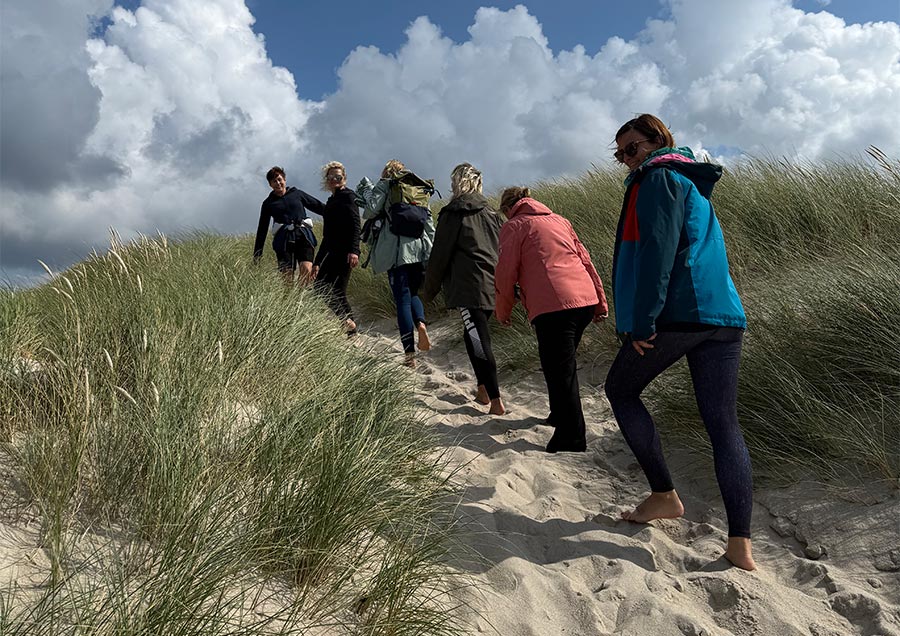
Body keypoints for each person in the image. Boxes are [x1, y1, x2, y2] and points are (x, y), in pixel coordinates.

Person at [605, 113, 755, 570]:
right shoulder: (691, 179)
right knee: (722, 425)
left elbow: (658, 249)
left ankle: (663, 494)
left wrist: (644, 321)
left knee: (620, 389)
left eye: (633, 148)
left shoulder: (660, 178)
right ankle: (740, 547)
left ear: (658, 141)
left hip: (680, 312)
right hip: (723, 315)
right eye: (620, 153)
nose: (627, 159)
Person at [494, 187, 608, 453]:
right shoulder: (559, 220)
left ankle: (572, 437)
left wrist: (503, 311)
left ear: (507, 209)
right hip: (583, 300)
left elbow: (505, 273)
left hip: (554, 306)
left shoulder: (515, 226)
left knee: (561, 370)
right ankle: (558, 414)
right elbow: (586, 260)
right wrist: (601, 302)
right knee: (556, 364)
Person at [421, 163, 506, 415]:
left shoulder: (455, 212)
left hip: (471, 286)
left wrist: (428, 291)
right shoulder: (492, 213)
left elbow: (439, 255)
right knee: (473, 336)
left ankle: (496, 400)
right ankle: (482, 390)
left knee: (479, 340)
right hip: (494, 282)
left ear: (458, 183)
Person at [357, 159, 435, 366]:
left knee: (402, 300)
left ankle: (409, 355)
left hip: (396, 253)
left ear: (387, 172)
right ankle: (421, 324)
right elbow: (428, 223)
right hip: (418, 251)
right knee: (414, 293)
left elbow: (370, 211)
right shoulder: (417, 189)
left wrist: (382, 183)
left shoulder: (388, 186)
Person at [294, 161, 361, 335]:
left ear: (344, 178)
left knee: (339, 291)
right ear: (327, 180)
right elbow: (327, 236)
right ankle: (348, 323)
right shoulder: (331, 201)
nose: (334, 180)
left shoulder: (349, 196)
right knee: (320, 288)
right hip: (331, 252)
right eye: (331, 177)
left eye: (338, 177)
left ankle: (351, 329)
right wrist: (317, 262)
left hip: (346, 252)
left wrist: (355, 250)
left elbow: (355, 224)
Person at [253, 166, 316, 283]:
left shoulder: (297, 194)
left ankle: (301, 299)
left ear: (284, 179)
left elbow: (319, 207)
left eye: (279, 179)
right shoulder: (268, 203)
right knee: (287, 278)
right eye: (274, 181)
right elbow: (262, 228)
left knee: (306, 270)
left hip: (304, 237)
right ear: (270, 185)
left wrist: (336, 213)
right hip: (283, 241)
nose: (278, 183)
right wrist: (257, 254)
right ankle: (289, 299)